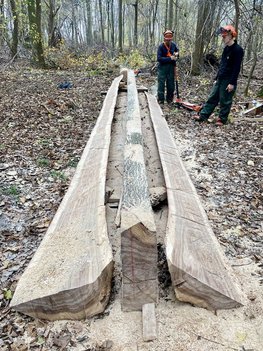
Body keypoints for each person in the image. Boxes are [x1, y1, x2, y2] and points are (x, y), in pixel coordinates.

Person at [194, 25, 244, 126]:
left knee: (225, 100)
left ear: (231, 35)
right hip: (221, 78)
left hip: (229, 79)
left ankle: (222, 119)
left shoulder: (238, 50)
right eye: (222, 36)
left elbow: (236, 68)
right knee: (212, 97)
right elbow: (222, 65)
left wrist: (232, 83)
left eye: (224, 36)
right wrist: (217, 78)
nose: (223, 38)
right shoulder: (226, 49)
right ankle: (203, 116)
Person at [157, 30, 179, 105]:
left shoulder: (174, 45)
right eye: (167, 39)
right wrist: (170, 58)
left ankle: (169, 100)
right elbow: (159, 59)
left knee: (171, 84)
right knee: (161, 84)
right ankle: (161, 100)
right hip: (162, 68)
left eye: (170, 39)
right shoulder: (161, 46)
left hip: (171, 68)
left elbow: (177, 53)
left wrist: (176, 55)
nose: (168, 40)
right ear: (164, 38)